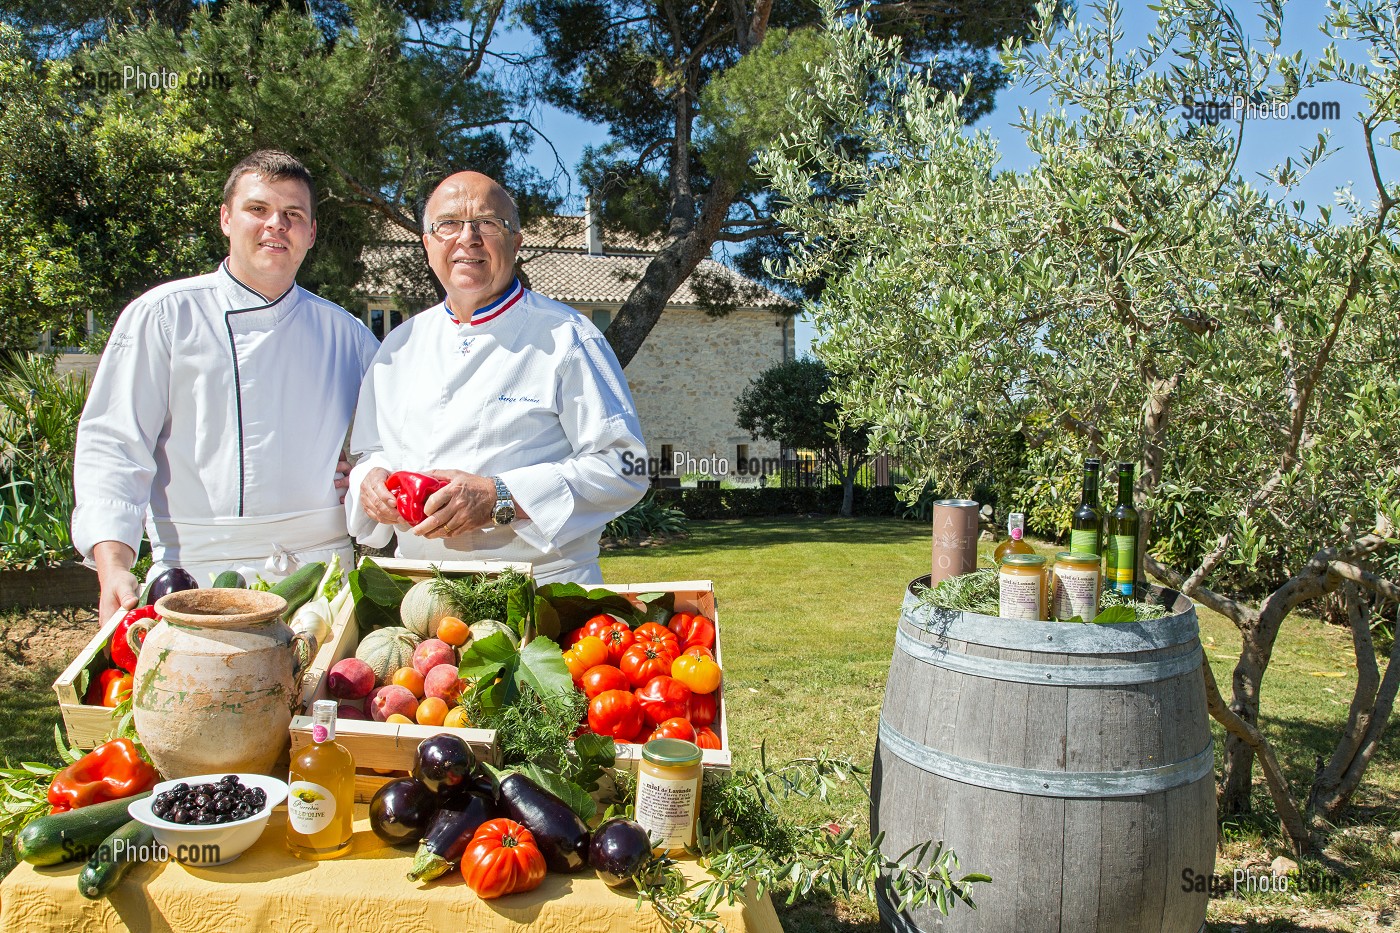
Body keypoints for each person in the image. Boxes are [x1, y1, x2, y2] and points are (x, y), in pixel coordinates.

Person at [73, 150, 380, 622]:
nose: (276, 224)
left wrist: (362, 474)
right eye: (257, 209)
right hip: (195, 578)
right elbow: (114, 445)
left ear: (312, 233)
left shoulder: (350, 336)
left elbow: (388, 445)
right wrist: (112, 566)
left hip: (324, 581)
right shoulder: (164, 316)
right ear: (225, 218)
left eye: (293, 215)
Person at [346, 171, 647, 584]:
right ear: (427, 243)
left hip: (539, 589)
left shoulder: (568, 337)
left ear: (516, 242)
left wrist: (499, 497)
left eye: (487, 224)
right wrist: (371, 483)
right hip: (419, 593)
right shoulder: (397, 345)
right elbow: (370, 452)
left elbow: (625, 466)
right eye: (448, 224)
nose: (467, 238)